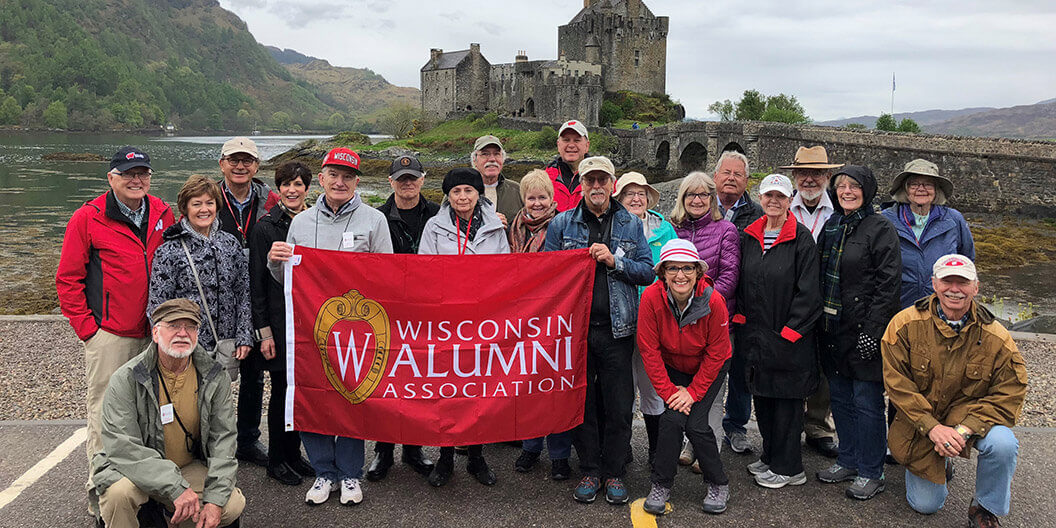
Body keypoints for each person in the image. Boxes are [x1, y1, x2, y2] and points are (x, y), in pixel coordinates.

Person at [268, 147, 392, 505]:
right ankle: (324, 472)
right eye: (333, 175)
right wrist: (275, 262)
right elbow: (286, 280)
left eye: (348, 177)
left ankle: (350, 474)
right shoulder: (301, 223)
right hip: (310, 329)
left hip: (357, 330)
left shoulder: (374, 221)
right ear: (320, 179)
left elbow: (386, 276)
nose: (340, 182)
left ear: (357, 181)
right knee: (312, 397)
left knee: (353, 398)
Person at [56, 147, 175, 506]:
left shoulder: (162, 212)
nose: (136, 180)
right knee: (105, 413)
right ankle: (103, 493)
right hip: (110, 335)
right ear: (111, 178)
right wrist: (89, 330)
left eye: (143, 173)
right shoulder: (87, 217)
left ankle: (146, 490)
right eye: (128, 174)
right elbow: (68, 278)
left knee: (153, 412)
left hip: (156, 332)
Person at [882, 255, 1027, 527]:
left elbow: (1010, 391)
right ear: (934, 284)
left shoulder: (997, 337)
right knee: (926, 505)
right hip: (921, 427)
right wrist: (932, 428)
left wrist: (965, 429)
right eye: (947, 281)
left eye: (963, 282)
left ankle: (984, 508)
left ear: (976, 287)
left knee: (1004, 444)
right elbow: (897, 384)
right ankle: (942, 463)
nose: (954, 289)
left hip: (969, 421)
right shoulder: (903, 325)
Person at [543, 156, 654, 505]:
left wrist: (614, 261)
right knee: (582, 404)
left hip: (617, 331)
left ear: (612, 183)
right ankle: (590, 469)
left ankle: (615, 472)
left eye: (602, 180)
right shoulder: (562, 223)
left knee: (620, 406)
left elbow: (648, 272)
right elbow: (547, 274)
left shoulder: (630, 224)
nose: (596, 186)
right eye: (590, 180)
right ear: (581, 183)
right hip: (575, 332)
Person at [92, 299, 245, 528]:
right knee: (118, 495)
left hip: (185, 467)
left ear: (197, 333)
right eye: (173, 326)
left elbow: (223, 441)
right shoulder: (126, 378)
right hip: (134, 469)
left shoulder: (215, 376)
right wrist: (174, 487)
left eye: (190, 327)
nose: (182, 333)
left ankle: (172, 517)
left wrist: (214, 500)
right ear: (155, 333)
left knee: (230, 504)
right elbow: (124, 447)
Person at [418, 167, 509, 487]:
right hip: (447, 321)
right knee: (447, 390)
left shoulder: (495, 227)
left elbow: (505, 271)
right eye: (456, 192)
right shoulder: (434, 226)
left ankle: (476, 456)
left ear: (477, 193)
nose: (462, 197)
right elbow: (424, 270)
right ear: (448, 195)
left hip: (483, 322)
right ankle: (444, 458)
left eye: (468, 191)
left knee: (478, 390)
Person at [814, 165, 901, 500]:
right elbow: (819, 274)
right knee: (841, 398)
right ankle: (848, 459)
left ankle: (871, 470)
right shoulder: (832, 224)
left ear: (868, 189)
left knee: (867, 401)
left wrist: (875, 329)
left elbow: (888, 284)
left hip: (864, 329)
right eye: (841, 186)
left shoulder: (880, 228)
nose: (846, 191)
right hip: (832, 326)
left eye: (853, 186)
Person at [731, 174, 821, 489]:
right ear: (761, 197)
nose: (773, 201)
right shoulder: (749, 236)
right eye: (768, 195)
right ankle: (770, 455)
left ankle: (789, 467)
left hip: (788, 338)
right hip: (756, 333)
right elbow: (742, 281)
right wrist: (741, 318)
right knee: (764, 396)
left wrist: (791, 331)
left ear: (789, 200)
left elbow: (809, 293)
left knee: (786, 402)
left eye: (780, 197)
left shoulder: (801, 239)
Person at [638, 240, 732, 516]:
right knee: (670, 419)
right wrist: (669, 392)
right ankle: (661, 484)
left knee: (697, 424)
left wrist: (692, 393)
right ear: (663, 273)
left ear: (698, 272)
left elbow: (717, 354)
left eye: (687, 268)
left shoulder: (714, 301)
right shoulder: (651, 298)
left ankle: (718, 483)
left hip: (709, 366)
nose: (681, 275)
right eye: (673, 268)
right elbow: (649, 350)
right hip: (673, 366)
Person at [366, 154, 437, 482]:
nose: (407, 183)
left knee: (421, 382)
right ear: (391, 182)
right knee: (386, 380)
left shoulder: (439, 215)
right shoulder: (376, 217)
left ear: (423, 179)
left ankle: (413, 448)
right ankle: (383, 450)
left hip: (428, 312)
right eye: (401, 178)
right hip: (389, 312)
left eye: (413, 177)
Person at [246, 162, 317, 486]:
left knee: (302, 392)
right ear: (279, 188)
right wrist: (264, 333)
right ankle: (276, 459)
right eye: (286, 184)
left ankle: (293, 453)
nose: (292, 190)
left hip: (310, 323)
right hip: (278, 324)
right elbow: (257, 285)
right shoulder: (264, 228)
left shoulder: (314, 223)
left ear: (307, 189)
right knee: (281, 393)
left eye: (298, 185)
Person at [668, 171, 740, 465]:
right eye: (690, 195)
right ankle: (689, 443)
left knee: (711, 390)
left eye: (703, 195)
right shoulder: (674, 229)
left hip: (716, 322)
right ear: (682, 199)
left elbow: (729, 277)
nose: (696, 200)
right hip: (679, 323)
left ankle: (708, 449)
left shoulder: (726, 230)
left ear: (712, 199)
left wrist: (698, 305)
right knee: (684, 387)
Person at [215, 136, 279, 468]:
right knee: (214, 374)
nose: (241, 166)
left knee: (254, 372)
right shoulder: (207, 197)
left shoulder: (272, 199)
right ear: (222, 163)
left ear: (257, 165)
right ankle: (212, 441)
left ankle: (248, 440)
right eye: (234, 160)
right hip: (219, 296)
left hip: (258, 293)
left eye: (247, 160)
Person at [508, 170, 573, 480]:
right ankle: (531, 446)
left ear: (552, 199)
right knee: (527, 383)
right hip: (522, 316)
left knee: (555, 386)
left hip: (555, 315)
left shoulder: (563, 225)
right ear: (524, 199)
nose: (537, 203)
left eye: (542, 197)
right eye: (531, 197)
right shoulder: (515, 226)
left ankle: (560, 453)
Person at [147, 175, 253, 365]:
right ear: (185, 208)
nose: (204, 210)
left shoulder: (230, 243)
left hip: (225, 343)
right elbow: (158, 303)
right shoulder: (169, 250)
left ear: (217, 206)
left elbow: (243, 291)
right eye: (197, 204)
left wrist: (244, 335)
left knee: (221, 393)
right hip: (185, 343)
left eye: (209, 203)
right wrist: (165, 344)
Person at [782, 145, 843, 458]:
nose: (809, 179)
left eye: (816, 173)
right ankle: (788, 426)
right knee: (788, 360)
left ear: (827, 176)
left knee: (823, 363)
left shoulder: (841, 210)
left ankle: (818, 425)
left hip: (829, 298)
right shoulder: (780, 207)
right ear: (794, 176)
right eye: (803, 173)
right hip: (787, 299)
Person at [613, 171, 677, 466]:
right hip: (622, 319)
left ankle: (656, 450)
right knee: (623, 387)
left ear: (649, 198)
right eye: (629, 194)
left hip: (655, 320)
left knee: (652, 387)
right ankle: (621, 446)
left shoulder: (666, 232)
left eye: (641, 193)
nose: (636, 198)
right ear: (620, 199)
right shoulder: (614, 228)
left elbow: (678, 272)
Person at [881, 158, 975, 310]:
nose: (921, 188)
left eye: (928, 184)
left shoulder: (954, 220)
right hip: (897, 305)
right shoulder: (886, 219)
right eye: (914, 184)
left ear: (936, 190)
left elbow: (967, 260)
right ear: (905, 189)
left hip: (941, 305)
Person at [471, 135, 523, 225]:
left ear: (503, 159)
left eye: (496, 154)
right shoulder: (459, 191)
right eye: (485, 154)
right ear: (474, 160)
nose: (492, 159)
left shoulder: (517, 190)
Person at [545, 120, 590, 211]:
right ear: (558, 145)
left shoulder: (603, 179)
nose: (571, 145)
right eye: (566, 140)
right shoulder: (544, 179)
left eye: (577, 140)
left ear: (587, 146)